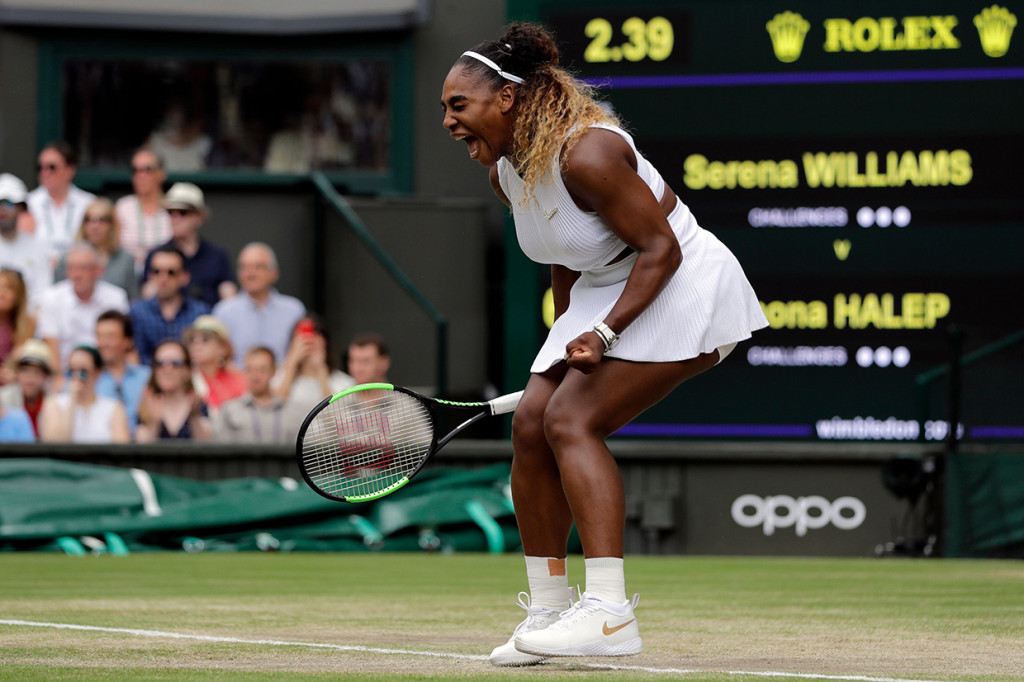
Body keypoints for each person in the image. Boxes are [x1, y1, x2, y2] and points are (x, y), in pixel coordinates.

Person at [440, 24, 768, 665]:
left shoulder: (587, 153)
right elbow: (565, 256)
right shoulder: (509, 174)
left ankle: (611, 615)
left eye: (459, 105)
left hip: (683, 284)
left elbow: (661, 249)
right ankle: (548, 613)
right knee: (532, 425)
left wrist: (605, 332)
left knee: (570, 420)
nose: (449, 121)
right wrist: (567, 337)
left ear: (505, 99)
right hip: (606, 291)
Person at [36, 241, 130, 376]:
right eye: (71, 268)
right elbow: (51, 348)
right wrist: (60, 381)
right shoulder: (51, 298)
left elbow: (122, 345)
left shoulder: (116, 298)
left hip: (106, 372)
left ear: (99, 271)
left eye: (83, 268)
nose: (76, 275)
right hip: (65, 372)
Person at [141, 182, 236, 306]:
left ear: (199, 217)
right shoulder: (157, 256)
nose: (175, 218)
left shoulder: (217, 256)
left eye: (182, 212)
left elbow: (229, 300)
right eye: (170, 212)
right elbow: (147, 297)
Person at [212, 242, 305, 366]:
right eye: (244, 267)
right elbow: (217, 359)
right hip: (239, 381)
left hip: (285, 379)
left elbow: (301, 355)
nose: (250, 274)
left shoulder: (294, 310)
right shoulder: (224, 311)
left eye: (259, 267)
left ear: (274, 273)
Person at [129, 244, 210, 364]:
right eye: (157, 271)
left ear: (185, 277)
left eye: (171, 272)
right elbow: (135, 357)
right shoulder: (137, 312)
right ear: (150, 276)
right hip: (148, 379)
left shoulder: (200, 312)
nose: (163, 278)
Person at [38, 344, 130, 443]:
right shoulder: (53, 403)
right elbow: (55, 445)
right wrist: (72, 398)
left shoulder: (114, 407)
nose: (77, 377)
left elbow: (122, 449)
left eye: (83, 372)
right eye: (71, 371)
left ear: (98, 372)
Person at [214, 346, 305, 443]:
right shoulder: (229, 411)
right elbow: (222, 452)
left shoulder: (293, 412)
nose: (255, 376)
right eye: (250, 369)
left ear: (273, 371)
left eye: (262, 369)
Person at [25, 142, 96, 264]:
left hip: (77, 271)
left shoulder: (89, 203)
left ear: (70, 169)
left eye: (52, 167)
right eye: (40, 167)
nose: (44, 172)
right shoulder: (28, 203)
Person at [55, 198, 139, 299]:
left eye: (102, 220)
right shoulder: (68, 258)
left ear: (112, 225)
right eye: (89, 220)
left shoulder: (125, 260)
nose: (94, 226)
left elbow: (133, 297)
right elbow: (58, 293)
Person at [135, 339, 212, 441]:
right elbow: (141, 450)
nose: (167, 369)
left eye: (175, 363)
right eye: (160, 363)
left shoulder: (197, 403)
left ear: (187, 370)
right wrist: (155, 423)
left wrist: (194, 417)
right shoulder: (148, 404)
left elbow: (207, 446)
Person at [275, 314, 354, 409]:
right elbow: (274, 408)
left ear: (325, 341)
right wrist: (292, 362)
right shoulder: (277, 378)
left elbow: (337, 417)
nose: (309, 340)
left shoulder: (344, 382)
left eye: (316, 333)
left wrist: (321, 369)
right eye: (302, 334)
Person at [0, 173, 53, 309]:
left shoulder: (38, 247)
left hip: (29, 324)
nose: (2, 210)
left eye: (9, 204)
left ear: (21, 207)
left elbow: (43, 293)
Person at [94, 310, 150, 438]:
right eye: (99, 336)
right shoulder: (89, 379)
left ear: (127, 341)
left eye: (110, 337)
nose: (102, 343)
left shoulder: (146, 377)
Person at [115, 148, 172, 272]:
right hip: (128, 274)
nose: (140, 175)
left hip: (163, 276)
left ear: (161, 173)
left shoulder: (173, 207)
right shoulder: (122, 207)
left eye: (147, 170)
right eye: (135, 170)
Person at [184, 314, 246, 410]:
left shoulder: (238, 379)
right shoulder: (184, 378)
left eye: (205, 339)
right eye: (192, 339)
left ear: (223, 348)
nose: (197, 343)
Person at [0, 338, 53, 438]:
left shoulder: (54, 400)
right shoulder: (3, 397)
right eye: (25, 370)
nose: (30, 377)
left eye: (37, 372)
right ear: (17, 373)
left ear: (46, 376)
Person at [0, 268, 35, 383]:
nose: (2, 293)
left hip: (10, 380)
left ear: (18, 295)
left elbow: (14, 361)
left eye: (8, 289)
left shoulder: (27, 322)